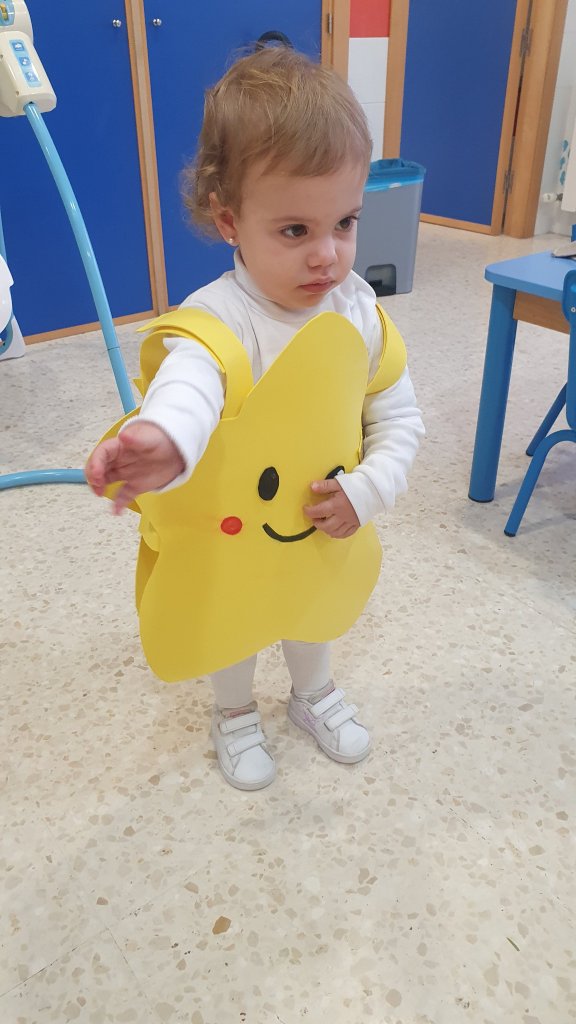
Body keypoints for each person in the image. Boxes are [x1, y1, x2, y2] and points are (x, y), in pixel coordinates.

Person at [85, 46, 424, 792]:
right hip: (232, 533)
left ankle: (312, 693)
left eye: (345, 221)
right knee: (232, 617)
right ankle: (234, 710)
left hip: (321, 522)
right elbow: (191, 381)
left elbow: (398, 416)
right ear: (230, 220)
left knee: (311, 609)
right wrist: (166, 437)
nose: (328, 256)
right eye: (295, 230)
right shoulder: (223, 318)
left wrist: (369, 488)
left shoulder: (358, 313)